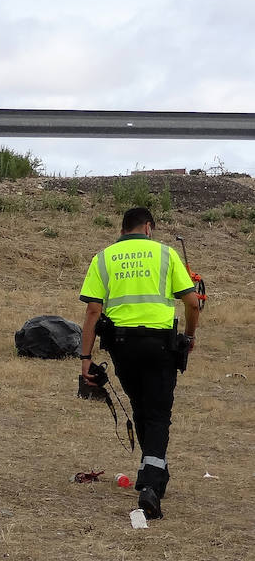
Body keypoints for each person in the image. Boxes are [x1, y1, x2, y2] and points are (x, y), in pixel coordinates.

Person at [78, 206, 200, 520]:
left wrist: (85, 359)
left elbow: (93, 312)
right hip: (160, 346)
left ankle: (153, 470)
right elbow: (191, 303)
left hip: (122, 347)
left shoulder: (103, 258)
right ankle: (150, 486)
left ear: (123, 230)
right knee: (158, 414)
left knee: (142, 409)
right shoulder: (166, 254)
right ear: (148, 227)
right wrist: (189, 336)